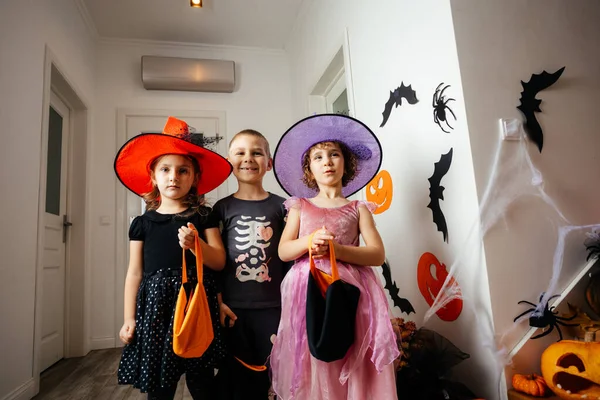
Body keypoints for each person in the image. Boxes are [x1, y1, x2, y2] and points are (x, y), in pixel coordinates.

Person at [270, 114, 399, 399]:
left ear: (346, 163)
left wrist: (337, 251)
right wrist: (310, 241)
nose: (327, 161)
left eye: (334, 154)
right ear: (308, 170)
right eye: (317, 157)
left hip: (349, 289)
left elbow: (377, 254)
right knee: (313, 352)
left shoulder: (359, 208)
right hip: (308, 290)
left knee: (349, 349)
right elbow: (283, 250)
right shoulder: (299, 206)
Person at [114, 116, 233, 400]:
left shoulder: (205, 216)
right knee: (160, 385)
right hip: (155, 309)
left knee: (202, 380)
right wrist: (129, 318)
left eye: (183, 171)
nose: (173, 177)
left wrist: (197, 247)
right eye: (165, 170)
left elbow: (218, 263)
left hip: (197, 304)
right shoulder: (142, 223)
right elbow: (134, 273)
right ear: (153, 176)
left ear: (194, 179)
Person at [212, 129, 288, 400]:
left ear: (269, 162)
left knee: (272, 375)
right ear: (228, 161)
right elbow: (215, 263)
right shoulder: (220, 209)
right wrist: (219, 301)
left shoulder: (285, 207)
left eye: (257, 152)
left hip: (275, 307)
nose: (249, 158)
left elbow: (290, 259)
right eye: (240, 153)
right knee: (236, 378)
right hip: (233, 309)